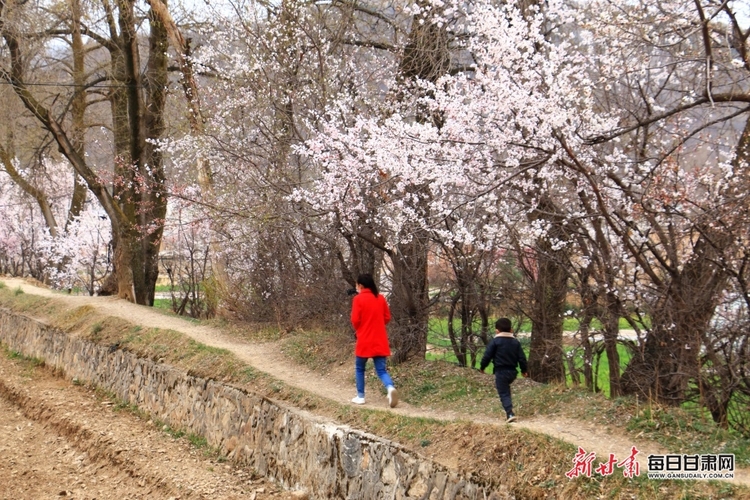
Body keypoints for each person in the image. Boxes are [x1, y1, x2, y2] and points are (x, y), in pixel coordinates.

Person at [350, 273, 398, 408]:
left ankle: (360, 396)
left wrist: (360, 328)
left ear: (360, 285)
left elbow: (355, 320)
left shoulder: (358, 299)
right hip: (379, 339)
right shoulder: (380, 298)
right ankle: (390, 388)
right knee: (381, 370)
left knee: (360, 368)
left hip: (364, 339)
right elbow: (387, 317)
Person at [479, 317, 528, 423]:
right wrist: (524, 370)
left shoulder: (495, 342)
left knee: (504, 393)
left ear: (497, 330)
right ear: (511, 330)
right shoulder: (516, 343)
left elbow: (487, 356)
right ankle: (509, 410)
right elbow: (522, 358)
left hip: (501, 371)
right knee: (506, 390)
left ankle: (510, 413)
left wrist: (482, 367)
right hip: (513, 372)